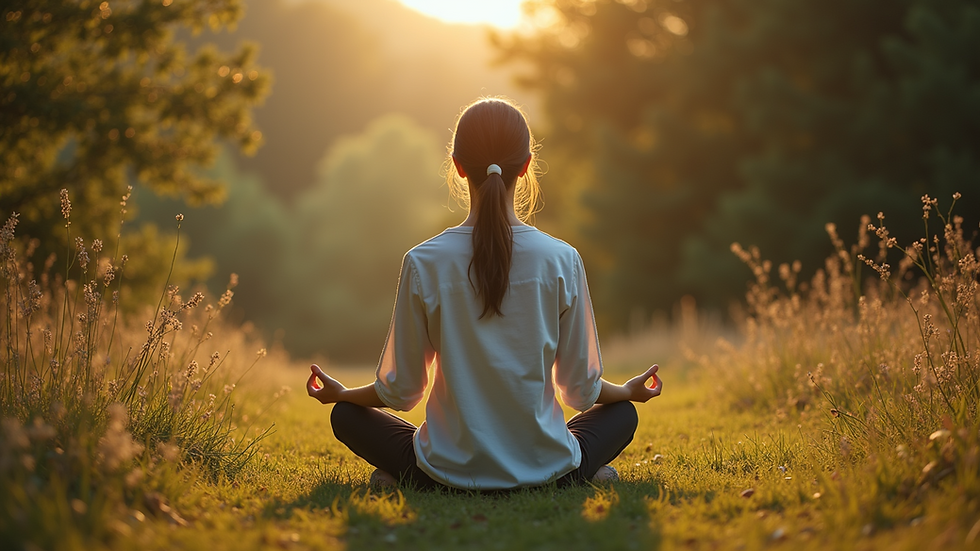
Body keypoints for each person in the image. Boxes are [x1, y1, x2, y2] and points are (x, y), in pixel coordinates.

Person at [307, 97, 662, 491]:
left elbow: (401, 391)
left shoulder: (423, 261)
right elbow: (581, 391)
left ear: (458, 167)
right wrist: (626, 391)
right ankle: (575, 474)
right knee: (622, 414)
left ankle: (414, 478)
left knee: (346, 415)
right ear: (526, 166)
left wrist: (344, 394)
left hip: (447, 469)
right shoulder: (562, 259)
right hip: (546, 466)